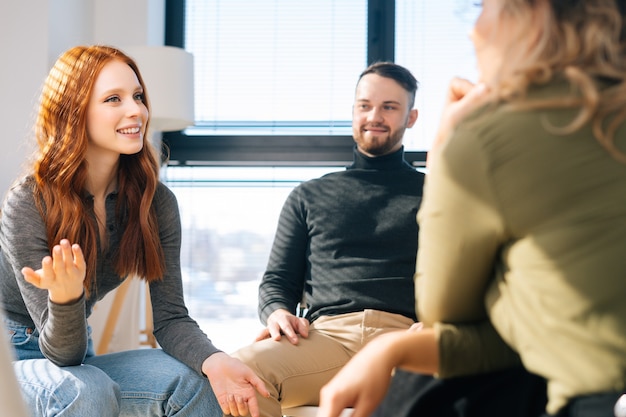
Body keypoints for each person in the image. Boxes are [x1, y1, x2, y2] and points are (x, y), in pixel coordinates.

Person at [318, 0, 626, 416]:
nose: (473, 30)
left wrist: (446, 149)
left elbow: (444, 310)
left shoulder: (492, 138)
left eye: (483, 7)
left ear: (532, 13)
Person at [0, 45, 269, 417]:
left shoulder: (154, 203)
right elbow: (61, 353)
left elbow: (171, 318)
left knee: (192, 383)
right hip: (10, 357)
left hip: (74, 356)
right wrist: (64, 298)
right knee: (88, 390)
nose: (137, 110)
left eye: (138, 96)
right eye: (114, 98)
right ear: (73, 112)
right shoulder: (28, 201)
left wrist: (214, 359)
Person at [226, 62, 426, 417]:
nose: (374, 116)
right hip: (327, 338)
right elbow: (276, 282)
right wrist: (277, 312)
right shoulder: (309, 195)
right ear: (354, 112)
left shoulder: (435, 194)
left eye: (389, 107)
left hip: (407, 337)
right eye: (365, 105)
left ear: (410, 118)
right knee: (241, 373)